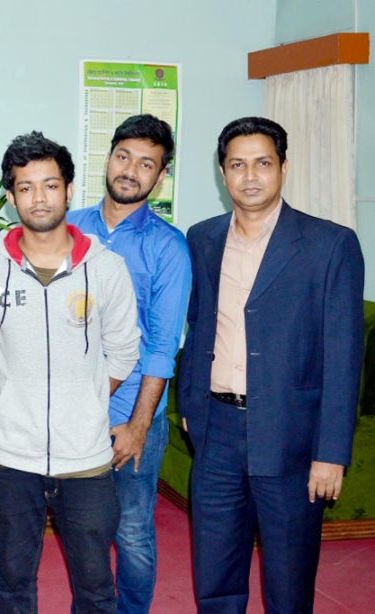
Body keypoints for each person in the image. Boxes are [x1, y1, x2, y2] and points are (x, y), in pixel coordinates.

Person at [180, 116, 364, 613]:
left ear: (283, 167)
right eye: (237, 165)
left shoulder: (330, 245)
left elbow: (344, 357)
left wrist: (331, 453)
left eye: (263, 163)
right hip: (216, 431)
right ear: (223, 173)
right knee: (214, 574)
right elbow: (199, 326)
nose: (250, 176)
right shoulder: (203, 238)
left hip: (291, 439)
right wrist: (191, 402)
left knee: (288, 579)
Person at [0, 131, 140, 612]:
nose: (38, 198)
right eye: (25, 187)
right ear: (12, 194)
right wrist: (11, 397)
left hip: (87, 459)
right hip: (12, 459)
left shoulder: (107, 269)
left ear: (69, 188)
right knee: (14, 582)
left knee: (96, 585)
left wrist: (85, 400)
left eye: (49, 185)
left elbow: (123, 351)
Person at [67, 114, 191, 614]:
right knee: (80, 528)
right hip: (69, 413)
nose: (131, 170)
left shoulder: (168, 247)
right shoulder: (69, 226)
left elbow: (163, 347)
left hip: (128, 413)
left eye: (147, 164)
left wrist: (139, 425)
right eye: (124, 157)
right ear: (108, 158)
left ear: (160, 177)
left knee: (133, 528)